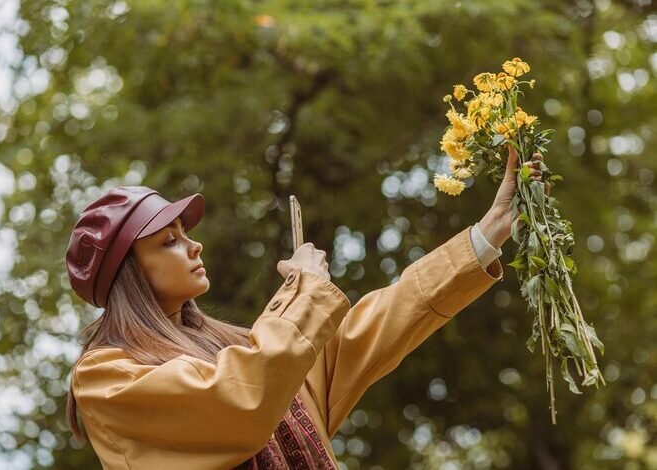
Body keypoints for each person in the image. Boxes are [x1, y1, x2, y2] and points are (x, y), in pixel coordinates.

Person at [65, 147, 547, 469]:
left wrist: (487, 235)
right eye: (169, 241)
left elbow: (378, 323)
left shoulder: (249, 350)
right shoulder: (106, 378)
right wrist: (304, 291)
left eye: (187, 235)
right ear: (127, 272)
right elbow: (236, 404)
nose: (194, 248)